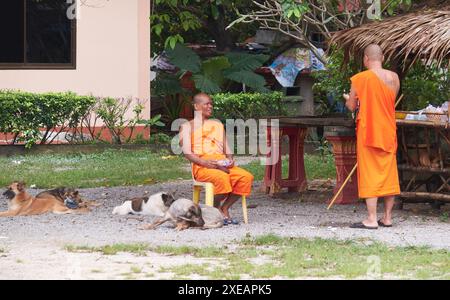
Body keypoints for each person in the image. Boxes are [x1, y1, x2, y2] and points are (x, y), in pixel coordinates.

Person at [343, 44, 401, 229]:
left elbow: (352, 106)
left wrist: (348, 99)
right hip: (388, 130)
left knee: (370, 172)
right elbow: (386, 101)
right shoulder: (394, 77)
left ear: (365, 59)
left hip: (369, 131)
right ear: (382, 58)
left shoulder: (361, 78)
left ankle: (371, 218)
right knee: (388, 172)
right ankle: (388, 217)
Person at [179, 93, 254, 225]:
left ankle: (224, 207)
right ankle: (216, 208)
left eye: (210, 103)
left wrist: (230, 159)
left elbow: (226, 147)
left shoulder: (217, 125)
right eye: (206, 104)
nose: (210, 106)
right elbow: (187, 153)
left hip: (222, 164)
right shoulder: (187, 126)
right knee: (222, 178)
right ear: (196, 106)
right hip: (202, 166)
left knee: (245, 177)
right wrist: (204, 162)